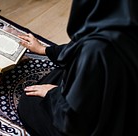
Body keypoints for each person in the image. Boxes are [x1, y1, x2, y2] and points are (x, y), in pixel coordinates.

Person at [17, 0, 138, 135]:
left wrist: (52, 94)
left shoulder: (96, 48)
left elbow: (72, 123)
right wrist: (46, 50)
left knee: (28, 103)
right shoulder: (127, 20)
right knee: (63, 71)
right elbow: (76, 52)